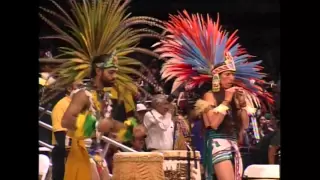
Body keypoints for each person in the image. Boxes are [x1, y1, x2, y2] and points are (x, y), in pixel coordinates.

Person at [39, 0, 163, 179]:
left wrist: (131, 131)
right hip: (79, 156)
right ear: (99, 71)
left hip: (96, 156)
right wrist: (95, 125)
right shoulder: (83, 94)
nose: (114, 77)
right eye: (111, 72)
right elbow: (66, 121)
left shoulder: (101, 97)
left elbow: (109, 125)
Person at [153, 10, 273, 180]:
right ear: (217, 77)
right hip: (217, 144)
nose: (231, 78)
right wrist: (227, 100)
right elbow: (214, 124)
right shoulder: (209, 96)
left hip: (232, 143)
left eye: (232, 74)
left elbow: (244, 126)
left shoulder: (233, 95)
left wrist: (241, 104)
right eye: (227, 75)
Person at [51, 81, 83, 180]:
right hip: (65, 153)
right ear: (69, 88)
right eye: (79, 86)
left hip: (80, 152)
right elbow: (60, 135)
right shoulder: (61, 105)